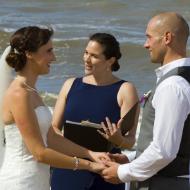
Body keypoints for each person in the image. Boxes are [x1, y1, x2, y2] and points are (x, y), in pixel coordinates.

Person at [0, 26, 110, 190]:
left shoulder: (31, 91)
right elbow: (39, 152)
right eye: (48, 51)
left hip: (38, 180)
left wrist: (90, 154)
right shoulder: (19, 94)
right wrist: (88, 165)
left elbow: (51, 137)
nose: (54, 57)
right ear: (29, 54)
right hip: (21, 181)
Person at [101, 12, 190, 190]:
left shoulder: (172, 85)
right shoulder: (180, 80)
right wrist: (132, 157)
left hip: (163, 184)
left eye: (149, 37)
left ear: (167, 38)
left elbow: (163, 151)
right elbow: (175, 144)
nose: (145, 44)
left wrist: (122, 172)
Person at [51, 33, 139, 190]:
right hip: (69, 167)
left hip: (106, 171)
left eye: (94, 56)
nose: (86, 59)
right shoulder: (69, 85)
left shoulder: (125, 90)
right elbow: (54, 130)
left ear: (110, 60)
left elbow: (131, 140)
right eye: (86, 53)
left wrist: (118, 140)